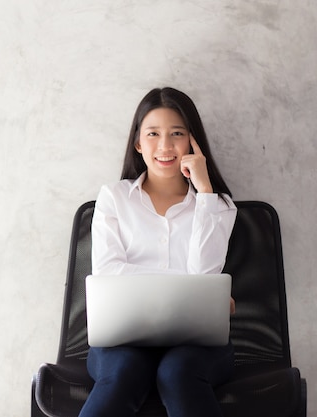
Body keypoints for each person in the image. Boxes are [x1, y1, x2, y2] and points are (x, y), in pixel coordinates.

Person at [79, 87, 237, 417]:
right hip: (123, 341)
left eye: (177, 134)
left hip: (196, 346)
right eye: (153, 134)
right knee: (123, 372)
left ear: (194, 142)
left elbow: (205, 276)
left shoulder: (217, 205)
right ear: (138, 143)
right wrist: (197, 290)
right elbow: (108, 274)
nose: (165, 146)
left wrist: (205, 191)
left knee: (178, 373)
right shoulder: (114, 197)